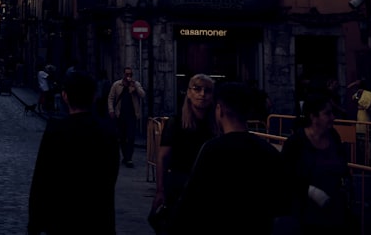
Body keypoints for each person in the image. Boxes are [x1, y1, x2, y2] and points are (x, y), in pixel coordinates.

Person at [169, 81, 289, 234]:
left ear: (219, 111)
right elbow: (281, 203)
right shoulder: (268, 151)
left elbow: (191, 200)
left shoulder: (212, 150)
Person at [28, 70, 119, 235]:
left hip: (63, 222)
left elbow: (41, 181)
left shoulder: (56, 132)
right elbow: (111, 178)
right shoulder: (107, 133)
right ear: (93, 97)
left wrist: (34, 225)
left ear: (65, 96)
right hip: (99, 222)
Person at [281, 90, 354, 235]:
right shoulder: (296, 143)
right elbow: (285, 178)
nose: (333, 117)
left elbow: (342, 166)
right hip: (306, 218)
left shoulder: (333, 136)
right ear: (313, 117)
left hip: (335, 215)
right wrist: (312, 191)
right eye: (327, 114)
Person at [150, 74, 218, 227]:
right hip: (180, 185)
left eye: (207, 91)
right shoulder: (176, 122)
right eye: (197, 89)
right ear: (189, 92)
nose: (202, 94)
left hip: (208, 188)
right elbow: (163, 157)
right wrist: (160, 190)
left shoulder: (216, 124)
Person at [108, 66, 145, 168]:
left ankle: (129, 158)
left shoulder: (135, 84)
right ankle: (125, 156)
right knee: (122, 137)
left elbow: (143, 95)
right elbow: (111, 98)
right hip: (120, 115)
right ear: (123, 75)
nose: (128, 76)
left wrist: (135, 88)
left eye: (130, 74)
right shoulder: (117, 85)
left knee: (131, 137)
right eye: (127, 74)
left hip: (132, 115)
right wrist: (111, 110)